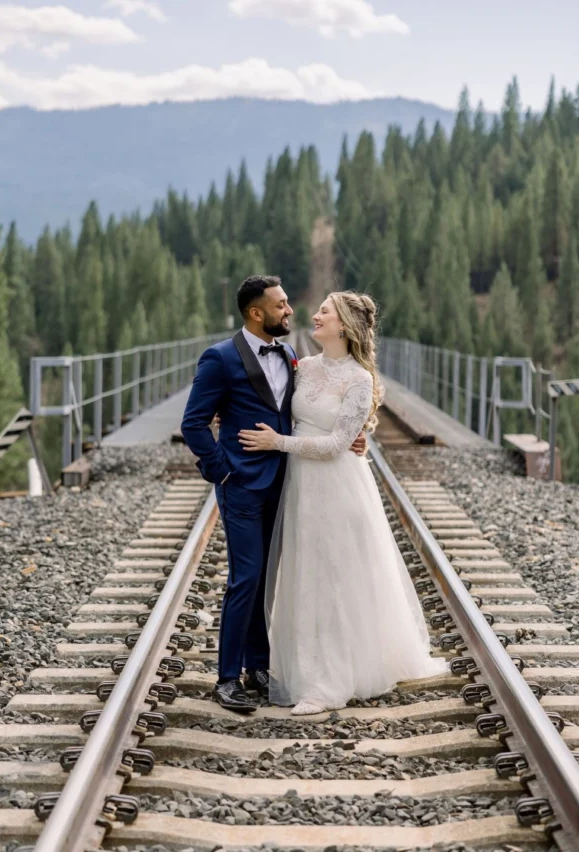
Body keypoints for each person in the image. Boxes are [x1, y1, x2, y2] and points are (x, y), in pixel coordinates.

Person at [239, 291, 448, 715]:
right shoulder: (303, 366)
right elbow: (277, 405)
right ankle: (302, 668)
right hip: (301, 485)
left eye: (325, 312)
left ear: (345, 326)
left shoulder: (360, 379)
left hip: (338, 488)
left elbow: (336, 445)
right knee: (304, 573)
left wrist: (277, 443)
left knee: (333, 577)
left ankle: (329, 683)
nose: (314, 315)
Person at [181, 276, 366, 712]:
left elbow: (311, 417)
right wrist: (221, 471)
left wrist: (354, 438)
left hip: (288, 483)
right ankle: (227, 678)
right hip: (241, 485)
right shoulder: (221, 358)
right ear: (255, 313)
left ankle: (258, 667)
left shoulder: (290, 355)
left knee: (267, 579)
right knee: (245, 577)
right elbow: (193, 423)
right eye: (281, 306)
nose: (290, 312)